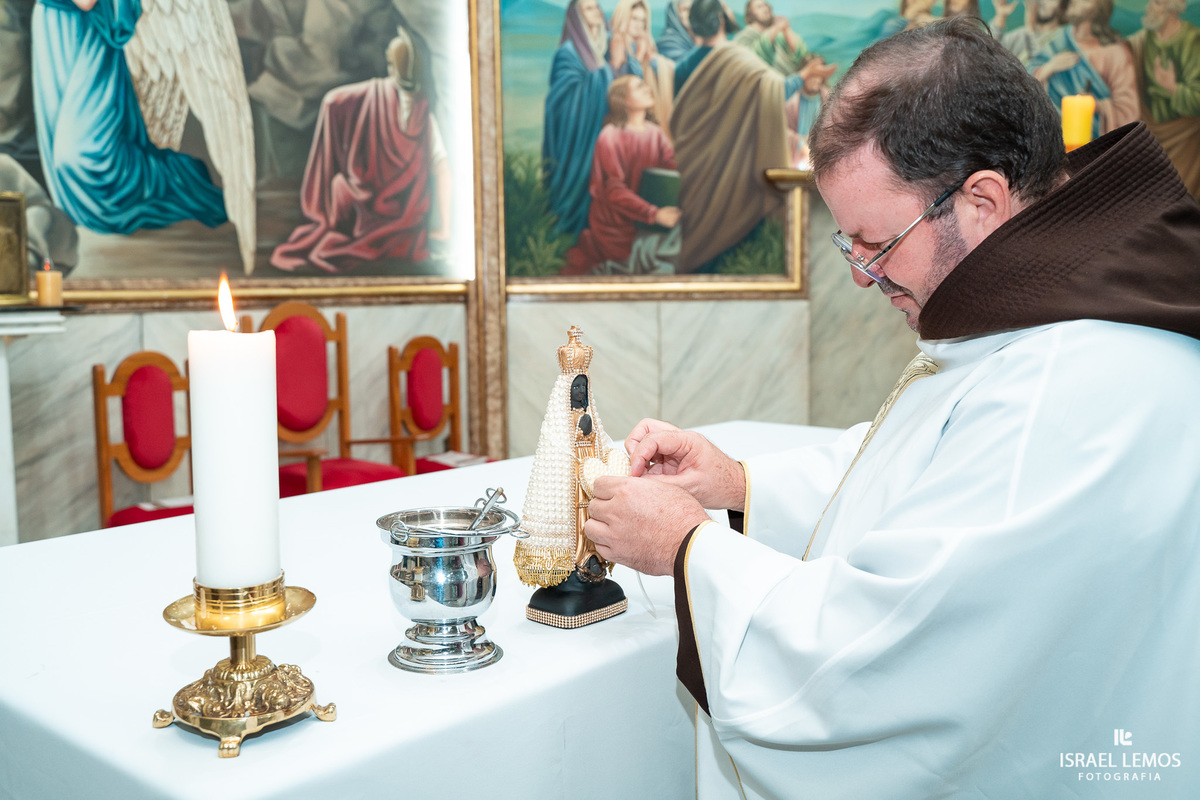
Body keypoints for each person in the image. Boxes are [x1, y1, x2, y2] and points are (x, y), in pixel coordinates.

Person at [585, 16, 1200, 798]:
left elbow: (881, 662)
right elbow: (933, 462)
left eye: (874, 242)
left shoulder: (1069, 381)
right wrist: (741, 486)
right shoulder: (1048, 313)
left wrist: (685, 549)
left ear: (981, 202)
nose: (861, 275)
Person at [30, 0, 227, 235]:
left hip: (90, 34)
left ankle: (174, 181)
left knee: (77, 155)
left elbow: (86, 2)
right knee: (56, 146)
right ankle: (83, 212)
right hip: (52, 27)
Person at [271, 27, 450, 272]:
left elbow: (337, 99)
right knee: (343, 191)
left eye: (393, 63)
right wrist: (445, 227)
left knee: (341, 191)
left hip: (383, 215)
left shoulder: (416, 112)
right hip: (405, 223)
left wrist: (446, 227)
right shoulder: (412, 109)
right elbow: (442, 168)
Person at [671, 0, 789, 271]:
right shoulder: (740, 60)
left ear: (691, 24)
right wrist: (803, 78)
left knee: (700, 233)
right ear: (722, 20)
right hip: (736, 167)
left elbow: (681, 121)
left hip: (693, 168)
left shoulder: (681, 68)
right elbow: (773, 90)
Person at [543, 0, 640, 235]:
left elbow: (634, 79)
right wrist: (612, 66)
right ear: (576, 17)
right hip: (579, 145)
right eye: (588, 8)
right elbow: (563, 104)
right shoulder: (567, 54)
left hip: (608, 138)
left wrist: (625, 60)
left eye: (597, 6)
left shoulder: (609, 44)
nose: (596, 11)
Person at [564, 76, 678, 274]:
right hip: (616, 225)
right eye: (639, 87)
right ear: (623, 100)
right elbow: (613, 190)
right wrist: (653, 214)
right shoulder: (610, 136)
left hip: (650, 218)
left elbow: (672, 172)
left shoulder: (656, 133)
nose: (648, 89)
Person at [1027, 0, 1139, 137]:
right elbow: (1024, 82)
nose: (1074, 2)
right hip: (1053, 143)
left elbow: (1128, 111)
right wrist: (1048, 69)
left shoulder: (1116, 54)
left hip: (1097, 149)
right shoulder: (1058, 42)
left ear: (1098, 9)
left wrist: (1096, 105)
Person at [1128, 0, 1200, 199]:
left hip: (1185, 145)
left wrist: (1173, 89)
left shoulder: (1192, 42)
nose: (1150, 7)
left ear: (1173, 9)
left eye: (1158, 3)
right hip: (1148, 140)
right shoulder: (1141, 41)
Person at [609, 0, 675, 137]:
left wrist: (652, 59)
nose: (639, 25)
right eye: (634, 19)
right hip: (623, 115)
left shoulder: (645, 43)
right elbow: (622, 82)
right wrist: (639, 57)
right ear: (624, 17)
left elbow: (659, 72)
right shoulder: (616, 42)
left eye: (643, 21)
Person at [732, 0, 805, 77]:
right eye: (759, 7)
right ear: (751, 14)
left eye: (766, 5)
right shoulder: (744, 36)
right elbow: (750, 58)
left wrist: (786, 29)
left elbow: (799, 53)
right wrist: (775, 28)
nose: (766, 9)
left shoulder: (778, 35)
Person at [994, 0, 1070, 65]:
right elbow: (991, 53)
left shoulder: (1065, 37)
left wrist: (1030, 29)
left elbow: (1037, 67)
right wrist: (1001, 15)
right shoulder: (1021, 33)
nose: (1042, 2)